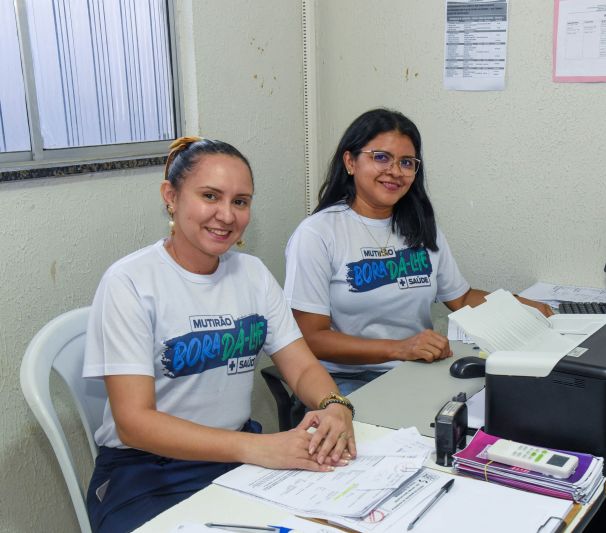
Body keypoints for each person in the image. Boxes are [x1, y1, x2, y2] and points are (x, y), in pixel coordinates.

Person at [82, 137, 356, 533]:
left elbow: (301, 368)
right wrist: (259, 448)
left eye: (241, 202)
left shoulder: (253, 275)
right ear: (170, 197)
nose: (226, 215)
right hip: (146, 472)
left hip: (237, 456)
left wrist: (336, 406)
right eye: (210, 196)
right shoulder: (129, 282)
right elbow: (133, 422)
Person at [284, 109, 552, 395]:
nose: (395, 171)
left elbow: (460, 297)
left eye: (406, 162)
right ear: (350, 161)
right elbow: (310, 338)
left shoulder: (419, 226)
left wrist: (519, 306)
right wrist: (398, 349)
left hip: (415, 371)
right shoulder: (318, 234)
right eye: (381, 157)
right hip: (346, 381)